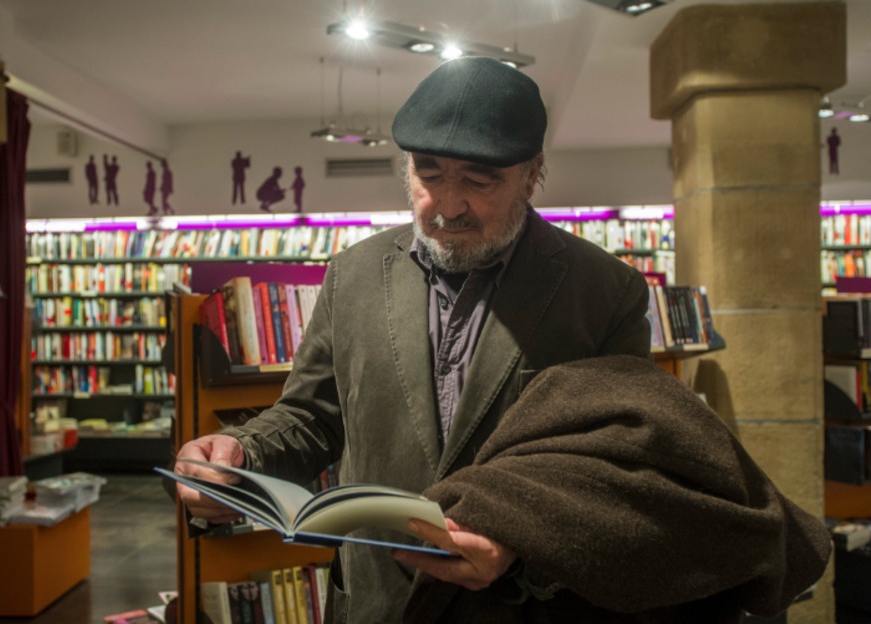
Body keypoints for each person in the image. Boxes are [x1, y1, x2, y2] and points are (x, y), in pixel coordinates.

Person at [173, 57, 828, 623]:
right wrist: (243, 452)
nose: (448, 204)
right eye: (428, 173)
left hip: (528, 606)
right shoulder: (352, 275)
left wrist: (520, 546)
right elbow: (310, 417)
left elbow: (616, 468)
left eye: (479, 181)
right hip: (378, 601)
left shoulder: (604, 292)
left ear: (532, 173)